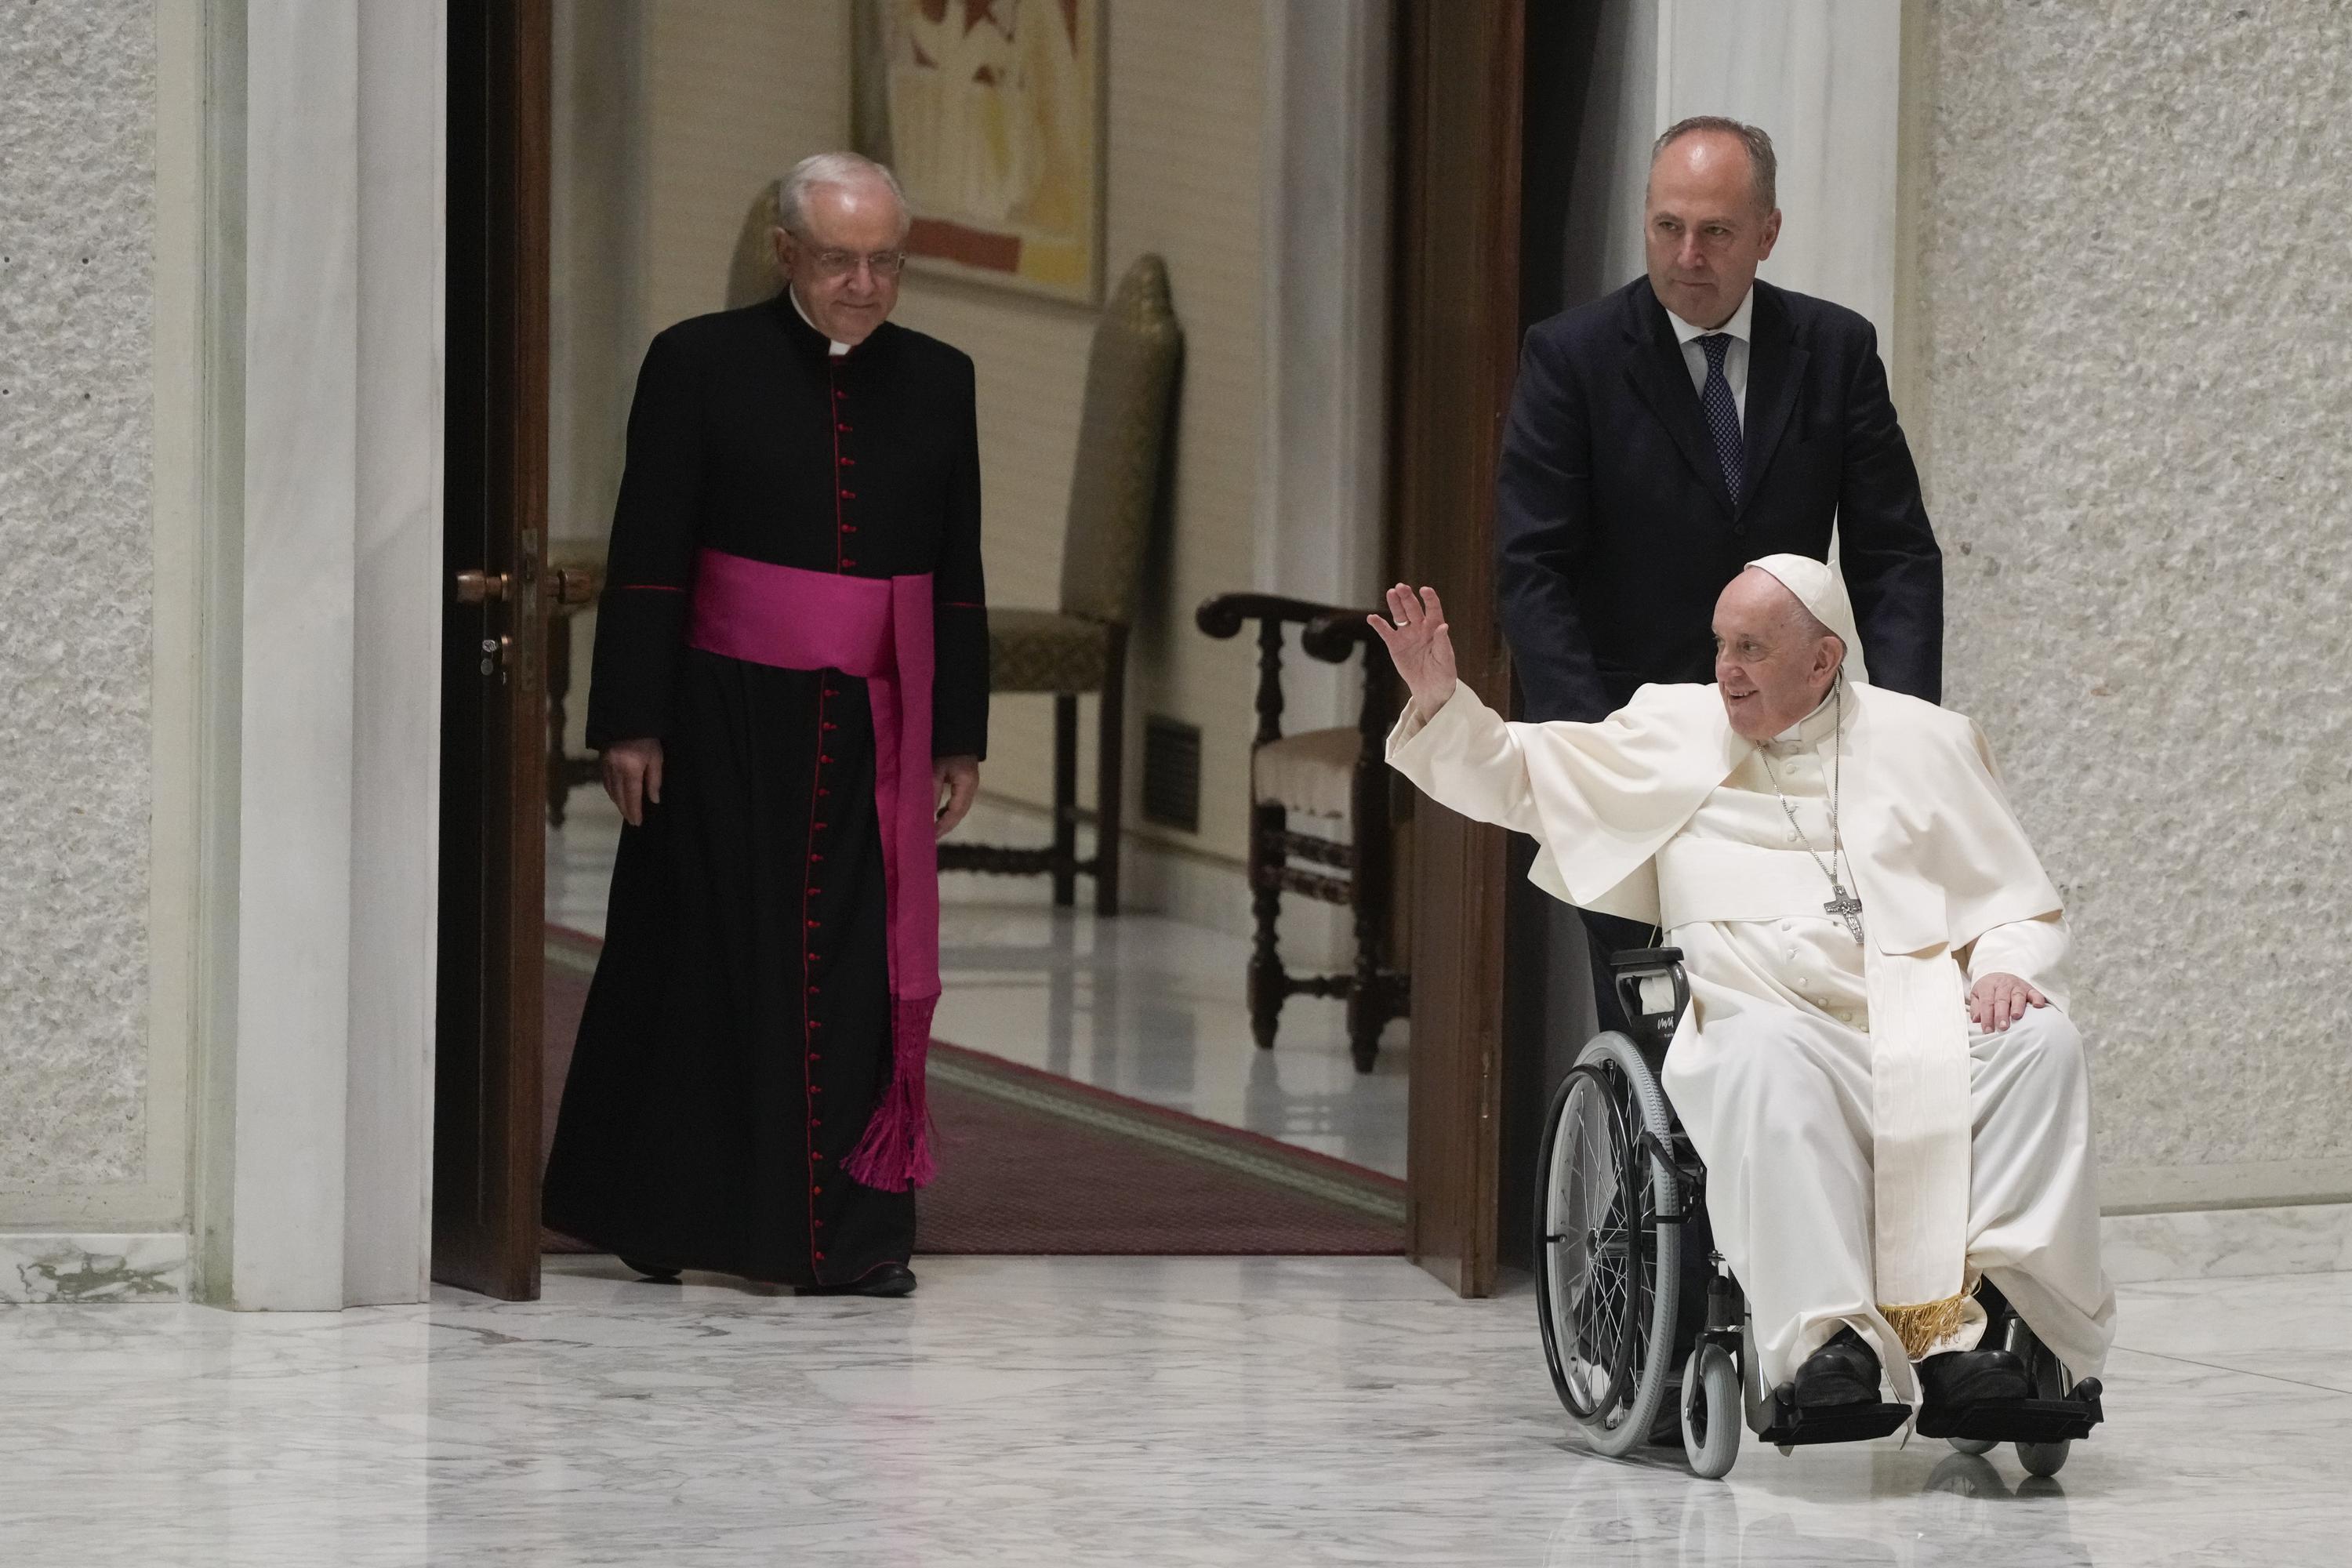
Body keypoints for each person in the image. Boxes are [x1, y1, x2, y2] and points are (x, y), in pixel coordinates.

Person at [1372, 560, 2113, 1414]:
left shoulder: (1927, 741)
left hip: (1919, 1015)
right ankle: (1827, 1342)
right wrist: (1438, 701)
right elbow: (1521, 771)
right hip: (1761, 1012)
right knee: (1770, 1059)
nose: (1726, 667)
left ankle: (1996, 1332)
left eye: (1752, 647)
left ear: (1823, 659)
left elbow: (2013, 896)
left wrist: (2004, 969)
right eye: (1721, 643)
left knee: (2041, 1043)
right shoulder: (1673, 728)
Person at [543, 152, 988, 1298]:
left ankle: (858, 1235)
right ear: (787, 253)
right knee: (705, 964)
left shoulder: (941, 380)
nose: (863, 283)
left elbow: (957, 573)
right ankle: (671, 1212)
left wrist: (958, 730)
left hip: (875, 725)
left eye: (885, 261)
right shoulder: (698, 362)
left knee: (854, 973)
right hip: (721, 715)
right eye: (839, 259)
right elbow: (650, 554)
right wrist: (631, 722)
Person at [1496, 114, 1944, 1029]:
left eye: (1717, 232)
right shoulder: (1572, 359)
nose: (1688, 254)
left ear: (1767, 234)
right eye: (1668, 226)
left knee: (1800, 1015)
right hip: (1634, 747)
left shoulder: (1835, 352)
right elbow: (1533, 568)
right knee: (1660, 1025)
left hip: (1795, 749)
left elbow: (1894, 554)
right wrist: (1596, 749)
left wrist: (1905, 733)